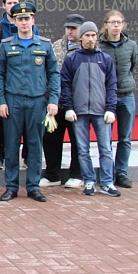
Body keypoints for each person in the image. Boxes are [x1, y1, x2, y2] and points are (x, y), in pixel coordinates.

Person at [0, 2, 59, 203]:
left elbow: (53, 74)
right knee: (11, 146)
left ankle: (33, 186)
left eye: (27, 18)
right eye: (20, 19)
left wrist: (53, 100)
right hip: (13, 102)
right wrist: (1, 102)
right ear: (14, 21)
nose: (23, 22)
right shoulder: (6, 45)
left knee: (34, 145)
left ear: (33, 20)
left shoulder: (45, 45)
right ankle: (11, 187)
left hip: (37, 102)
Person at [60, 21, 120, 197]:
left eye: (93, 35)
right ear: (81, 37)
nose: (90, 39)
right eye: (87, 35)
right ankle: (89, 181)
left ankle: (108, 182)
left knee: (105, 149)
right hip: (79, 112)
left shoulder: (105, 59)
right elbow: (66, 85)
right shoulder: (72, 59)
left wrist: (111, 108)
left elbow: (111, 85)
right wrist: (69, 107)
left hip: (101, 111)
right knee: (82, 149)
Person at [0, 0, 40, 169]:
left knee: (29, 125)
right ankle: (0, 156)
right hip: (8, 85)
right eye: (9, 3)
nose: (12, 6)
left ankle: (26, 157)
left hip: (29, 85)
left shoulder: (34, 30)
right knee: (4, 122)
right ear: (4, 5)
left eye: (15, 3)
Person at [42, 13, 84, 189]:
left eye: (74, 28)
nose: (70, 31)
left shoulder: (88, 47)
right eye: (68, 27)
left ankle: (76, 174)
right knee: (51, 138)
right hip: (56, 101)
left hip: (77, 103)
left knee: (77, 140)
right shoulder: (56, 46)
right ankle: (52, 174)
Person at [98, 10, 138, 189]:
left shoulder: (131, 45)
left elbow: (132, 66)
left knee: (125, 138)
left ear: (123, 25)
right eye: (112, 22)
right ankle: (107, 172)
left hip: (127, 95)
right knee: (106, 138)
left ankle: (121, 173)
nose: (116, 26)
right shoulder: (99, 46)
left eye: (119, 22)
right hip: (107, 98)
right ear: (105, 24)